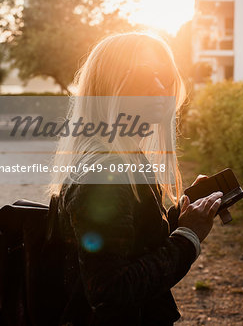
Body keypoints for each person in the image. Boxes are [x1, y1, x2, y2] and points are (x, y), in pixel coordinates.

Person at [47, 32, 223, 326]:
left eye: (165, 76)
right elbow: (110, 294)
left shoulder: (125, 156)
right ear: (108, 88)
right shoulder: (105, 173)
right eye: (142, 76)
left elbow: (129, 246)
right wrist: (188, 237)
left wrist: (178, 219)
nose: (159, 87)